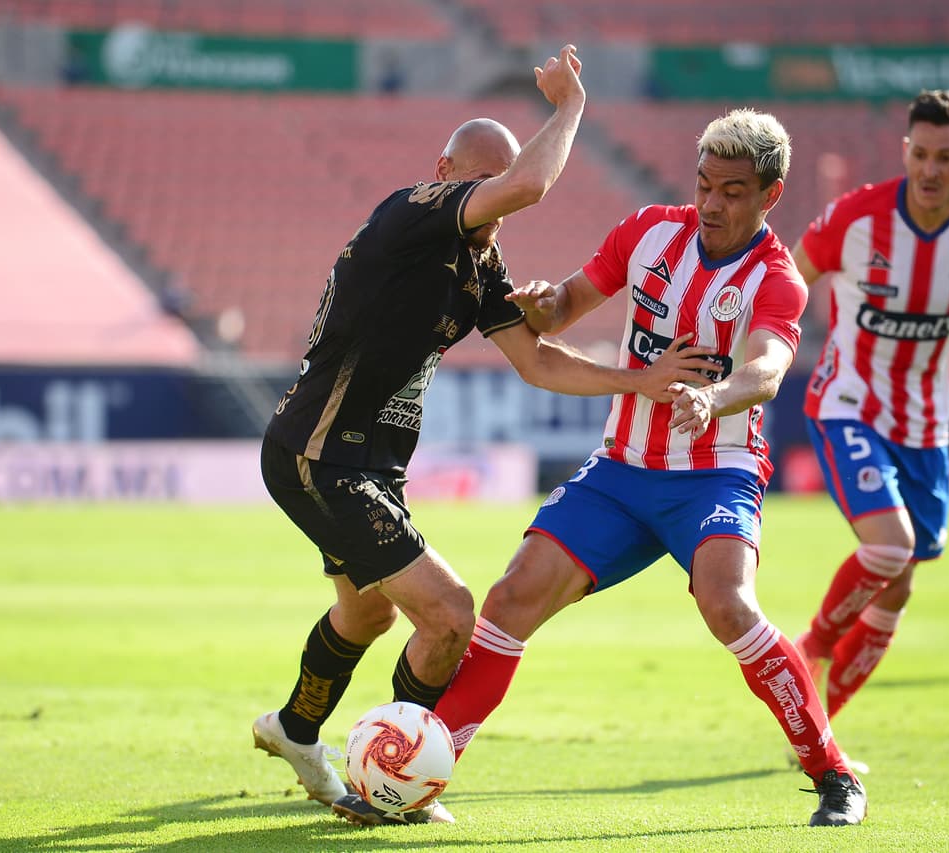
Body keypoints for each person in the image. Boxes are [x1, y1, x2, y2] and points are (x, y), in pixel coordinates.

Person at [333, 107, 868, 828]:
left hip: (714, 473)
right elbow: (565, 307)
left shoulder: (775, 277)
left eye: (733, 191)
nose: (712, 202)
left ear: (769, 195)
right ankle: (425, 776)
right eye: (705, 183)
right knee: (513, 594)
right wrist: (541, 303)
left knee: (727, 603)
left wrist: (714, 395)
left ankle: (832, 772)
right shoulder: (649, 231)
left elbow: (768, 368)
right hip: (619, 470)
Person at [252, 45, 717, 824]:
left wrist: (635, 379)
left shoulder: (479, 264)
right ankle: (388, 783)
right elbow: (530, 183)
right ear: (445, 172)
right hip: (320, 455)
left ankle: (297, 730)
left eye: (494, 198)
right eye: (480, 187)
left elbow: (536, 360)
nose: (493, 207)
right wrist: (570, 107)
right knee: (450, 615)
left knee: (367, 614)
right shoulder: (413, 213)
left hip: (364, 465)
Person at [789, 89, 949, 726]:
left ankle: (818, 729)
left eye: (946, 157)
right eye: (921, 155)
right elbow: (789, 279)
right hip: (846, 401)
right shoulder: (856, 218)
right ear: (906, 151)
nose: (931, 170)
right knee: (890, 547)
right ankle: (810, 650)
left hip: (925, 423)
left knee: (899, 583)